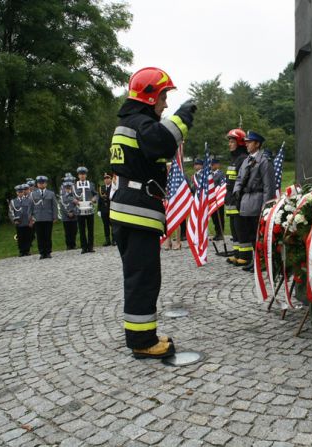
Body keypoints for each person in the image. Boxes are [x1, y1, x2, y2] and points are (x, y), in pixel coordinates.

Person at [109, 66, 196, 359]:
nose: (166, 104)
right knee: (143, 278)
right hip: (136, 213)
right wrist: (183, 118)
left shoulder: (132, 124)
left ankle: (142, 336)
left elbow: (156, 153)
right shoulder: (139, 125)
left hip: (130, 212)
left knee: (140, 276)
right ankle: (142, 342)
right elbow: (163, 141)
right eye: (162, 97)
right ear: (148, 97)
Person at [232, 131, 275, 273]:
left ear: (257, 144)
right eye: (246, 142)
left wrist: (266, 206)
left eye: (249, 142)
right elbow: (239, 178)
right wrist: (237, 190)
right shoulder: (246, 160)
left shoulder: (264, 160)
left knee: (258, 234)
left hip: (257, 200)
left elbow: (269, 185)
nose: (246, 144)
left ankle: (261, 262)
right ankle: (255, 260)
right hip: (245, 201)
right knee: (250, 234)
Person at [223, 129, 249, 263]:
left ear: (239, 143)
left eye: (232, 142)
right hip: (231, 200)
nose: (229, 144)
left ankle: (245, 255)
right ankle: (237, 253)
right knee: (234, 228)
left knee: (241, 228)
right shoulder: (234, 160)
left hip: (238, 200)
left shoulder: (243, 159)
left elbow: (242, 181)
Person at [31, 175, 57, 259]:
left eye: (43, 183)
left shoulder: (51, 193)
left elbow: (54, 206)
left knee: (47, 235)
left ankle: (48, 252)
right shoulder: (33, 194)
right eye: (39, 183)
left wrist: (55, 216)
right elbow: (30, 206)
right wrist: (30, 217)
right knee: (40, 236)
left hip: (48, 217)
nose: (41, 185)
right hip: (37, 218)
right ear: (37, 184)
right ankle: (42, 252)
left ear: (46, 184)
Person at [74, 166, 97, 253]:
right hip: (79, 210)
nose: (82, 176)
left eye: (83, 174)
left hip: (89, 209)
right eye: (80, 174)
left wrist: (94, 198)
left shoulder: (91, 184)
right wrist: (74, 200)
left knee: (90, 229)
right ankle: (84, 247)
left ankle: (90, 247)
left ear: (86, 175)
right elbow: (71, 196)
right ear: (78, 175)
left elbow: (96, 194)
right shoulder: (74, 185)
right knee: (82, 229)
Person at [9, 184, 34, 256]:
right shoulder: (13, 202)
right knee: (20, 237)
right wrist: (14, 220)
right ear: (16, 193)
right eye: (18, 192)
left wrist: (32, 220)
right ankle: (21, 251)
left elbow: (32, 211)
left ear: (23, 192)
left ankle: (27, 250)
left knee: (28, 236)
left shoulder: (29, 200)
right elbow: (11, 212)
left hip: (27, 221)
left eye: (21, 192)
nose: (20, 193)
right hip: (19, 222)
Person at [59, 181, 79, 250]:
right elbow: (61, 207)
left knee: (74, 231)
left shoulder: (75, 196)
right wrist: (67, 213)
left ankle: (73, 244)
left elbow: (78, 205)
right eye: (67, 188)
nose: (68, 189)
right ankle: (68, 245)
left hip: (74, 216)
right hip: (66, 217)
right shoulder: (62, 197)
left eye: (69, 188)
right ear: (64, 189)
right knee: (67, 232)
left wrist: (73, 212)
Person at [210, 158, 226, 241]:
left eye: (213, 164)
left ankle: (221, 233)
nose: (211, 166)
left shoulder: (221, 174)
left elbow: (222, 185)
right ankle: (217, 233)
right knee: (214, 217)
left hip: (218, 199)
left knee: (220, 216)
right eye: (211, 165)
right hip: (212, 200)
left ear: (217, 165)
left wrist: (217, 193)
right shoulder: (210, 174)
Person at [98, 172, 114, 246]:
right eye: (105, 178)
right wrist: (98, 210)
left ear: (111, 179)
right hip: (104, 210)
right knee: (105, 225)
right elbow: (100, 200)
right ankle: (107, 240)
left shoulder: (113, 187)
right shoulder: (102, 187)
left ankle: (114, 240)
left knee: (113, 225)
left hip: (111, 209)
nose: (106, 180)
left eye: (108, 178)